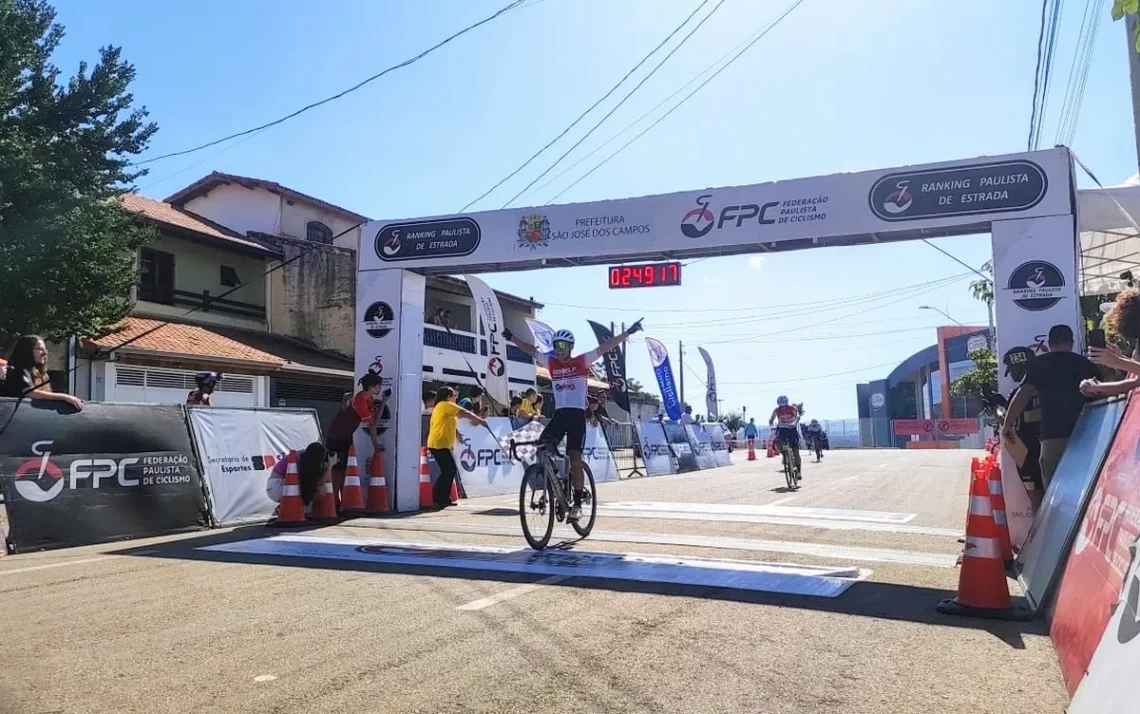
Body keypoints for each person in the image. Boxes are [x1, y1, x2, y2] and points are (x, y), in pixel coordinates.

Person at [504, 320, 642, 521]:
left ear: (569, 347)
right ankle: (555, 482)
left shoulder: (581, 362)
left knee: (575, 459)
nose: (558, 349)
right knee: (542, 446)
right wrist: (511, 338)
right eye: (555, 345)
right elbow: (531, 350)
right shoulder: (551, 363)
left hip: (577, 415)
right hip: (560, 415)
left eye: (561, 345)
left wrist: (627, 333)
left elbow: (604, 347)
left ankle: (577, 502)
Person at [1003, 325, 1099, 489]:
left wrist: (1007, 424)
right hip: (1086, 436)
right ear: (1072, 342)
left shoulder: (1039, 364)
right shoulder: (1086, 364)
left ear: (1050, 342)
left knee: (1054, 492)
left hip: (1053, 436)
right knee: (1085, 488)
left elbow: (1022, 395)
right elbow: (1101, 395)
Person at [326, 375, 389, 507]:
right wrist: (383, 402)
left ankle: (342, 501)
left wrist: (375, 444)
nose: (379, 388)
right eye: (378, 386)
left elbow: (372, 426)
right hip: (337, 435)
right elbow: (374, 422)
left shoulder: (367, 399)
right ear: (372, 388)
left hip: (346, 435)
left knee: (344, 469)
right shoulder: (360, 401)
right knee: (338, 469)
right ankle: (334, 502)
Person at [994, 347, 1044, 505]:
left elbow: (1010, 423)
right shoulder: (1046, 386)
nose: (1011, 372)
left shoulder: (1022, 391)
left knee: (1034, 494)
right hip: (1041, 446)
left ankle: (1041, 529)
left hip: (1028, 450)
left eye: (1012, 367)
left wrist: (997, 407)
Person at [427, 386, 486, 507]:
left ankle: (440, 497)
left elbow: (448, 422)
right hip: (439, 444)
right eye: (454, 395)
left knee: (447, 471)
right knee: (449, 470)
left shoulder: (442, 407)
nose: (456, 397)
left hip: (441, 444)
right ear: (448, 396)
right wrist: (479, 419)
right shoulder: (445, 404)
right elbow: (464, 412)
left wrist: (457, 434)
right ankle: (439, 497)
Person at [0, 335, 83, 410]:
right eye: (40, 349)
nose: (45, 353)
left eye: (45, 349)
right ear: (26, 350)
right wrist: (64, 397)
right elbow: (30, 393)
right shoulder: (16, 370)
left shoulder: (38, 372)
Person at [266, 442, 339, 514]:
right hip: (278, 487)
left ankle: (284, 508)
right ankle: (288, 509)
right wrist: (330, 465)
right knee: (320, 490)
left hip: (275, 487)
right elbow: (318, 483)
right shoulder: (303, 461)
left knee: (311, 489)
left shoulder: (302, 455)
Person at [768, 396, 802, 473]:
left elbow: (797, 416)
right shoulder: (777, 410)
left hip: (792, 428)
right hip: (782, 429)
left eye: (784, 406)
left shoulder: (792, 408)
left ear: (787, 404)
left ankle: (799, 470)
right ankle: (784, 454)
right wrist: (771, 422)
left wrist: (795, 422)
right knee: (777, 441)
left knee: (795, 450)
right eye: (781, 406)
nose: (783, 408)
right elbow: (772, 417)